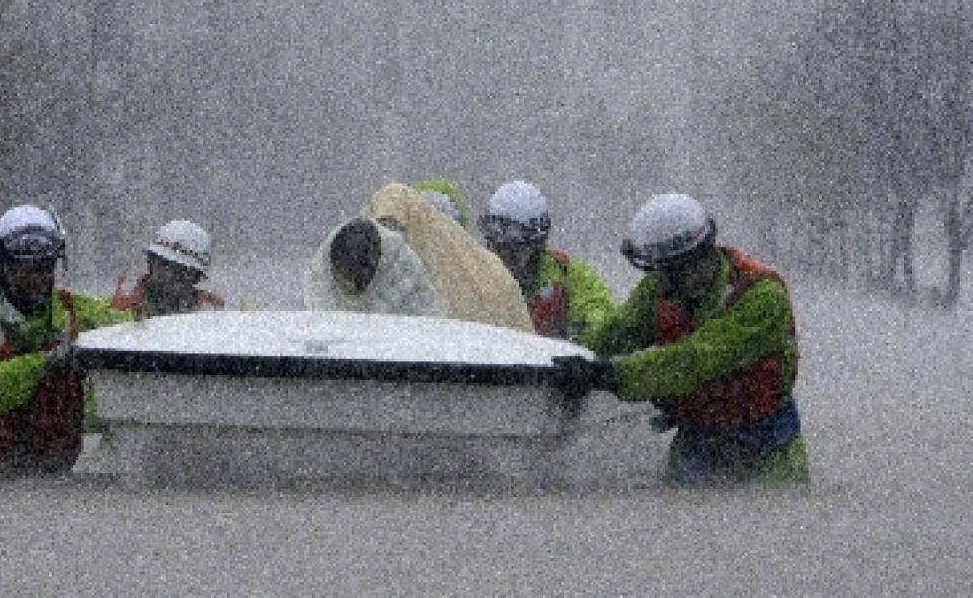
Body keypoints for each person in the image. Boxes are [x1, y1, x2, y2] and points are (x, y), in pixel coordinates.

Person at [569, 193, 809, 485]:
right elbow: (617, 333)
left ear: (693, 263)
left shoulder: (762, 297)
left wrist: (612, 376)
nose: (659, 282)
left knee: (770, 512)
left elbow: (692, 360)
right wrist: (567, 357)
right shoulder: (661, 288)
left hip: (768, 451)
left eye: (666, 272)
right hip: (696, 445)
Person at [0, 204, 130, 475]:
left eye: (43, 267)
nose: (34, 278)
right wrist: (45, 363)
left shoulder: (72, 310)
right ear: (0, 265)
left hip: (52, 481)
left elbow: (131, 331)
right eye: (22, 268)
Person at [478, 180, 613, 339]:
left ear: (536, 245)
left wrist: (582, 337)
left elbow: (599, 314)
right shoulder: (471, 271)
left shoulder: (564, 273)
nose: (505, 256)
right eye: (499, 246)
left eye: (516, 249)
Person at [304, 215, 445, 316]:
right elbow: (319, 313)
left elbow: (427, 325)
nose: (345, 290)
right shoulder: (323, 264)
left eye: (352, 288)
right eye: (341, 280)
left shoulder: (405, 270)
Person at [110, 219, 224, 318]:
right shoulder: (125, 299)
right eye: (164, 264)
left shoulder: (210, 311)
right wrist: (122, 312)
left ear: (196, 278)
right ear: (151, 263)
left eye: (182, 271)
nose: (170, 275)